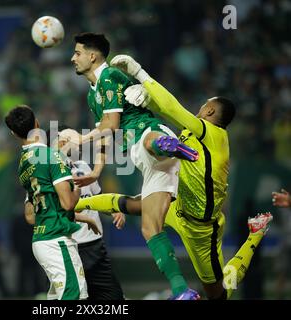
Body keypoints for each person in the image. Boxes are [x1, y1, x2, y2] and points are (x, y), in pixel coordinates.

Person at [77, 54, 273, 299]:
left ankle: (254, 235)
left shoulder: (212, 134)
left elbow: (172, 108)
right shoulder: (193, 133)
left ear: (210, 109)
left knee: (219, 294)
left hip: (202, 227)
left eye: (204, 104)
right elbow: (164, 110)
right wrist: (147, 100)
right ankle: (77, 203)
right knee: (139, 208)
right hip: (179, 203)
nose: (201, 106)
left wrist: (140, 73)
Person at [69, 32, 199, 299]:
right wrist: (96, 171)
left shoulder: (110, 76)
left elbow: (113, 125)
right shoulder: (93, 96)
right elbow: (107, 133)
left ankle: (168, 144)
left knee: (149, 141)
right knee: (150, 228)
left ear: (92, 56)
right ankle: (182, 291)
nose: (73, 58)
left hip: (149, 134)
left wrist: (82, 138)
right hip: (147, 160)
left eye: (77, 53)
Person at [5, 105, 99, 300]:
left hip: (42, 237)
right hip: (56, 238)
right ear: (37, 124)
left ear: (13, 133)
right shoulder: (52, 157)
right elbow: (67, 204)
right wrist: (78, 185)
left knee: (57, 297)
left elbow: (34, 213)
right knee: (75, 295)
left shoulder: (24, 163)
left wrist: (83, 218)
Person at [48, 125, 125, 300]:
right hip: (68, 246)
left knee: (114, 298)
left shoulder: (82, 166)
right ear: (60, 142)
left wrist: (113, 211)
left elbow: (96, 197)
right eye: (71, 140)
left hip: (95, 246)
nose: (78, 145)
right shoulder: (48, 171)